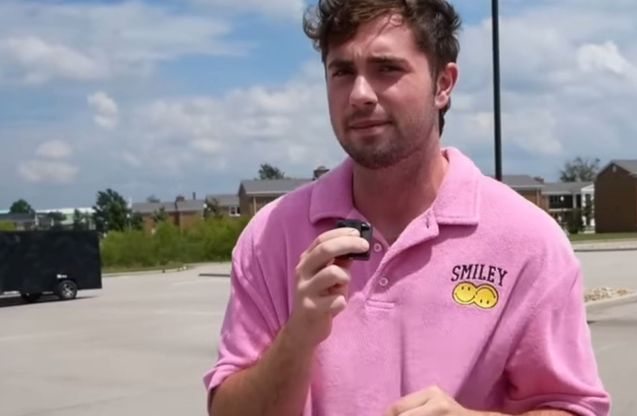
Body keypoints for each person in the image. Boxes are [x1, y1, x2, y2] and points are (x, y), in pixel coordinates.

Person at [204, 0, 611, 415]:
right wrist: (298, 336)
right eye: (342, 72)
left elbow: (572, 406)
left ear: (443, 84)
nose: (360, 95)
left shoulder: (528, 241)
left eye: (387, 69)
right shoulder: (271, 235)